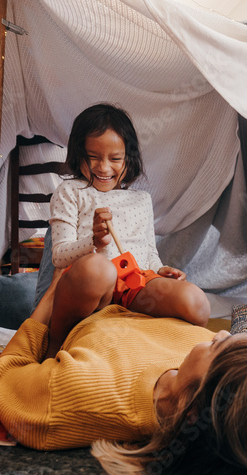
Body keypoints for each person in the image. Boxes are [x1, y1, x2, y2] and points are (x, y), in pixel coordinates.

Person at [0, 257, 247, 475]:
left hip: (83, 320)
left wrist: (51, 297)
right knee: (190, 301)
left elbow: (7, 371)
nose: (221, 334)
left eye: (220, 348)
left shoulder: (73, 392)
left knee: (91, 272)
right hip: (129, 308)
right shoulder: (201, 362)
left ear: (194, 411)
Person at [46, 103, 209, 350]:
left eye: (115, 159)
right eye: (93, 157)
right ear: (78, 154)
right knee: (99, 268)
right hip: (89, 284)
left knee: (195, 301)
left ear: (128, 160)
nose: (103, 167)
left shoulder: (141, 199)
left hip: (134, 284)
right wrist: (94, 242)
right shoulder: (69, 192)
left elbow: (148, 253)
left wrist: (161, 268)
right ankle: (55, 342)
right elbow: (59, 257)